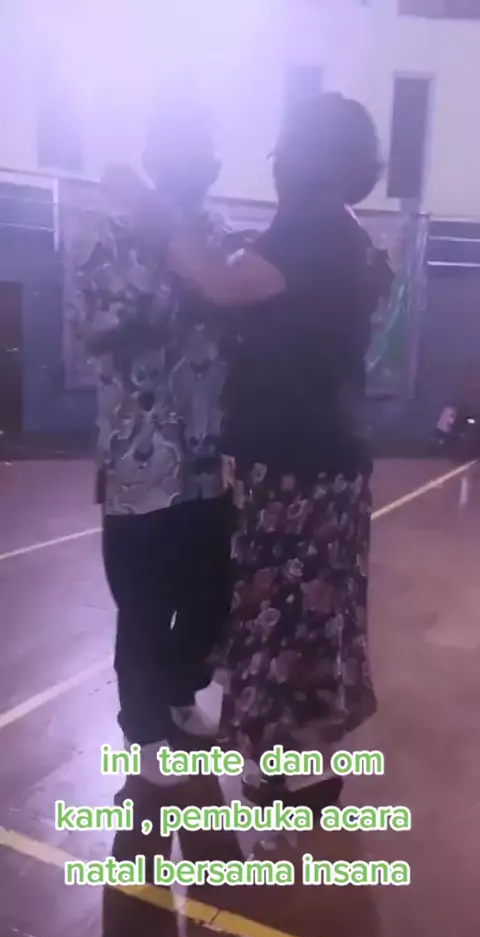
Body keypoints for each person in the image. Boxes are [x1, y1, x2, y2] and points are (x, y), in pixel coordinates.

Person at [168, 92, 393, 807]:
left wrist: (154, 212)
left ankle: (269, 770)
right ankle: (313, 764)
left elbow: (219, 283)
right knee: (319, 616)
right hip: (334, 458)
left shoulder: (310, 229)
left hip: (295, 461)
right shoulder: (346, 233)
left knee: (273, 612)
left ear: (303, 156)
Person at [82, 99, 235, 784]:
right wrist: (168, 271)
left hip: (206, 460)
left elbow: (233, 311)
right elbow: (96, 326)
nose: (201, 162)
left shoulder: (216, 233)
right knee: (143, 606)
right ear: (153, 158)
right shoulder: (109, 232)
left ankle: (178, 693)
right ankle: (144, 733)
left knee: (211, 595)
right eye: (186, 147)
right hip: (137, 459)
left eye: (207, 149)